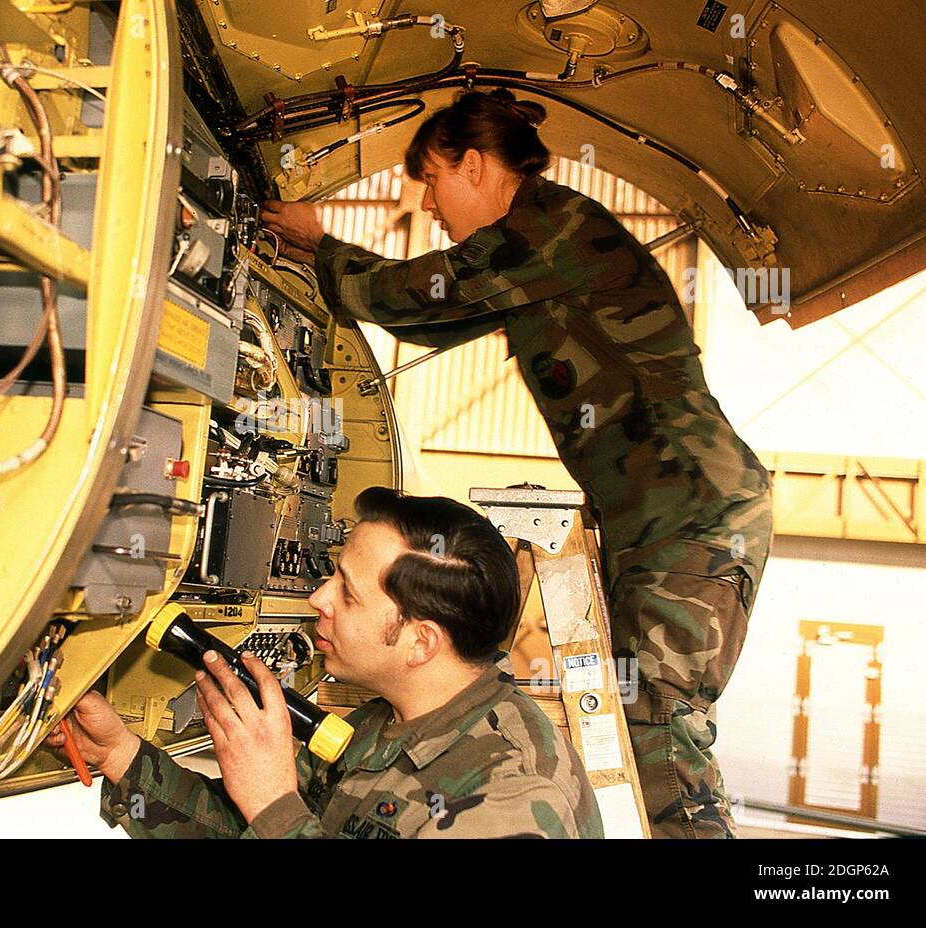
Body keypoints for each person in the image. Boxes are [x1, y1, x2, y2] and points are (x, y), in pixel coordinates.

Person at [260, 89, 773, 838]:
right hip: (662, 511)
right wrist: (316, 270)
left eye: (433, 181)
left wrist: (325, 242)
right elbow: (436, 320)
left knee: (661, 719)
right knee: (646, 717)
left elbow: (420, 294)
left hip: (691, 506)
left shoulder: (549, 226)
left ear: (474, 165)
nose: (430, 206)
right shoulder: (530, 251)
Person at [69, 487, 603, 838]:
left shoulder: (511, 793)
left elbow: (275, 819)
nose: (318, 599)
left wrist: (274, 801)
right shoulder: (382, 725)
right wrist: (118, 754)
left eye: (347, 593)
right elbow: (248, 828)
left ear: (421, 643)